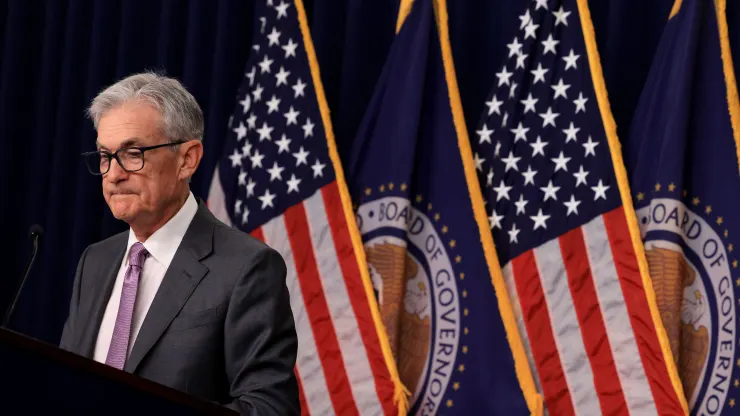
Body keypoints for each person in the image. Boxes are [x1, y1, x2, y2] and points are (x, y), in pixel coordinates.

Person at [59, 72, 299, 415]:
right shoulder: (95, 261)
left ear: (187, 159)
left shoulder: (246, 267)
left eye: (132, 153)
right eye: (104, 156)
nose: (113, 174)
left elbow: (269, 407)